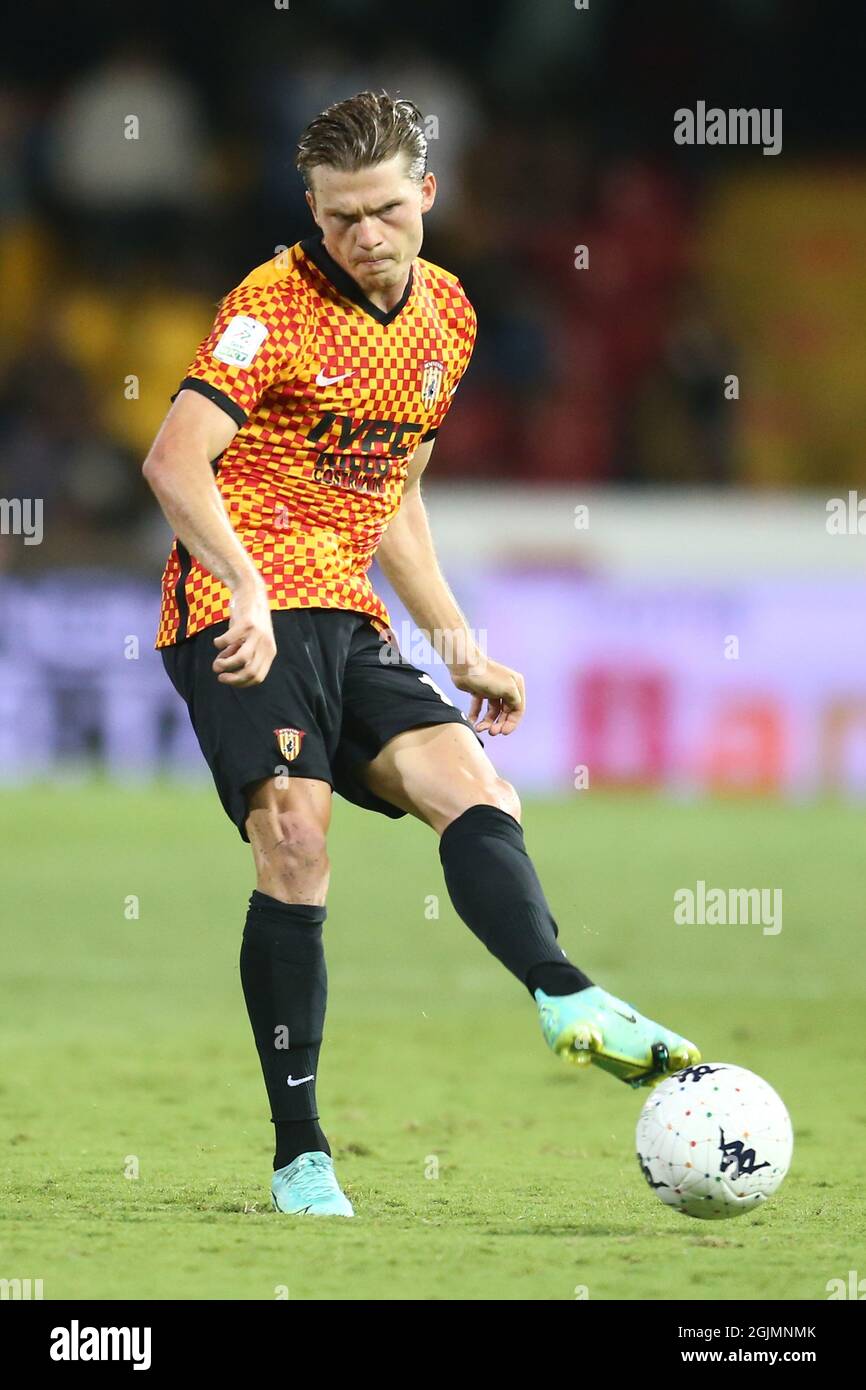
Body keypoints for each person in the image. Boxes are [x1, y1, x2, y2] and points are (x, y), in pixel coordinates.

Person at [143, 91, 700, 1218]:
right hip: (234, 606)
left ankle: (566, 1000)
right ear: (310, 206)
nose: (362, 236)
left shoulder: (446, 314)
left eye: (385, 211)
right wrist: (244, 585)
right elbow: (171, 461)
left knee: (474, 784)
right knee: (296, 839)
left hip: (342, 609)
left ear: (427, 196)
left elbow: (389, 497)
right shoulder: (269, 306)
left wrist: (458, 646)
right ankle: (301, 1153)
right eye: (339, 215)